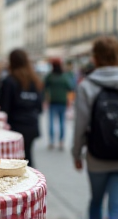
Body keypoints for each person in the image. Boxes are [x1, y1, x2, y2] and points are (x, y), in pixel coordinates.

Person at [72, 36, 118, 219]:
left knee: (96, 201)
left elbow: (80, 125)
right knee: (116, 207)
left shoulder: (86, 86)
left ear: (95, 58)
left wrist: (76, 154)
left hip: (96, 156)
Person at [0, 49, 43, 167]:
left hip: (15, 125)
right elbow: (40, 107)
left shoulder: (9, 81)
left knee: (16, 160)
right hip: (32, 124)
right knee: (28, 156)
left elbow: (3, 107)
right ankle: (31, 181)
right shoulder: (35, 80)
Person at [44, 59, 72, 150]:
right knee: (62, 122)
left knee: (51, 122)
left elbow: (44, 87)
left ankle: (52, 142)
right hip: (63, 101)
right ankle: (61, 142)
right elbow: (70, 87)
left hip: (52, 101)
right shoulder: (64, 76)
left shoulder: (50, 76)